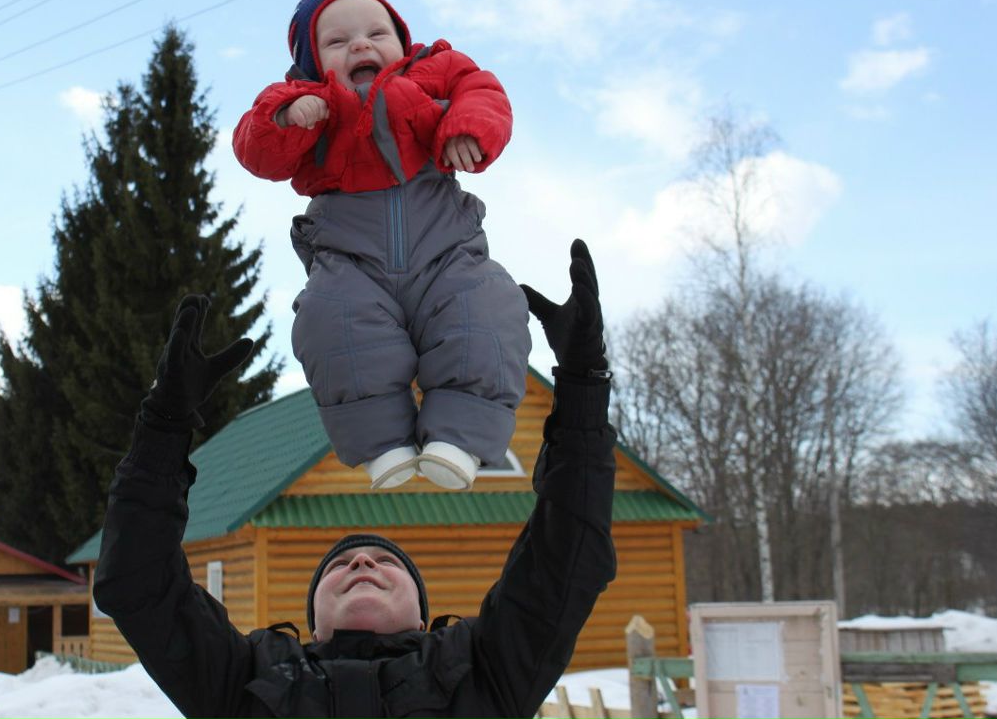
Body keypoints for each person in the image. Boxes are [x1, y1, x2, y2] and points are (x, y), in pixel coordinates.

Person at [94, 239, 617, 719]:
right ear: (314, 625)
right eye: (341, 564)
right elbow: (138, 583)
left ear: (422, 617)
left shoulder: (486, 667)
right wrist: (163, 422)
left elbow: (566, 557)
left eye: (385, 561)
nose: (363, 561)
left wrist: (582, 383)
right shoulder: (243, 676)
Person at [231, 0, 531, 491]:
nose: (361, 46)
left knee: (486, 309)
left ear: (402, 39)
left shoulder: (434, 69)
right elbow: (255, 150)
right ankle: (382, 444)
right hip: (351, 259)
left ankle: (459, 440)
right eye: (337, 41)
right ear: (312, 63)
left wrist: (464, 128)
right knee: (333, 323)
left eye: (377, 32)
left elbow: (481, 92)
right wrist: (286, 119)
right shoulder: (304, 100)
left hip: (445, 248)